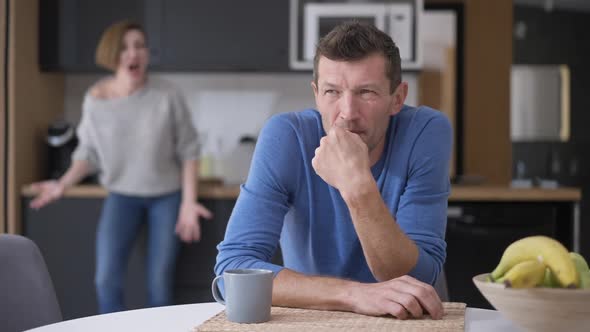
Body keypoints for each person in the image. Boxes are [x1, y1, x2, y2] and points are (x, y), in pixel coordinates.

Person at [215, 21, 451, 320]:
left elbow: (417, 277)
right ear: (316, 94)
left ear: (398, 98)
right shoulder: (287, 136)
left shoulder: (426, 132)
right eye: (332, 92)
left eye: (366, 92)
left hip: (411, 320)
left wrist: (356, 185)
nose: (348, 113)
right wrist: (353, 294)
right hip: (317, 318)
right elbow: (232, 272)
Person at [29, 20, 212, 313]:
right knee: (105, 279)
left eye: (140, 46)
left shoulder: (167, 95)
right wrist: (61, 185)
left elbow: (189, 151)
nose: (133, 53)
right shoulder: (95, 99)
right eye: (125, 47)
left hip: (166, 197)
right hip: (122, 197)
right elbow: (87, 154)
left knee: (159, 285)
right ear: (112, 55)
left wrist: (188, 204)